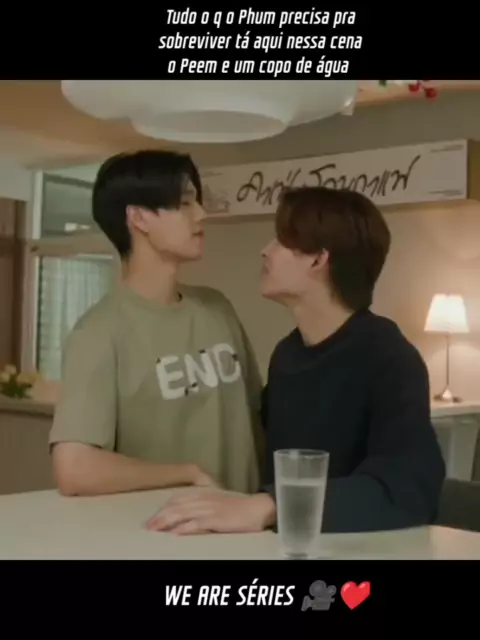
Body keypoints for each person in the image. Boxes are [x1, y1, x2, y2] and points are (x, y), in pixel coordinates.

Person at [146, 186, 446, 535]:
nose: (265, 251)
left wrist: (270, 506)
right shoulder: (288, 354)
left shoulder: (389, 357)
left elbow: (406, 489)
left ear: (319, 260)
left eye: (282, 241)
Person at [49, 150, 263, 497]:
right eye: (185, 203)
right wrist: (186, 474)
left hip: (251, 525)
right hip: (162, 529)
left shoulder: (217, 308)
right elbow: (75, 468)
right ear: (139, 218)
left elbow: (260, 418)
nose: (201, 214)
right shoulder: (99, 332)